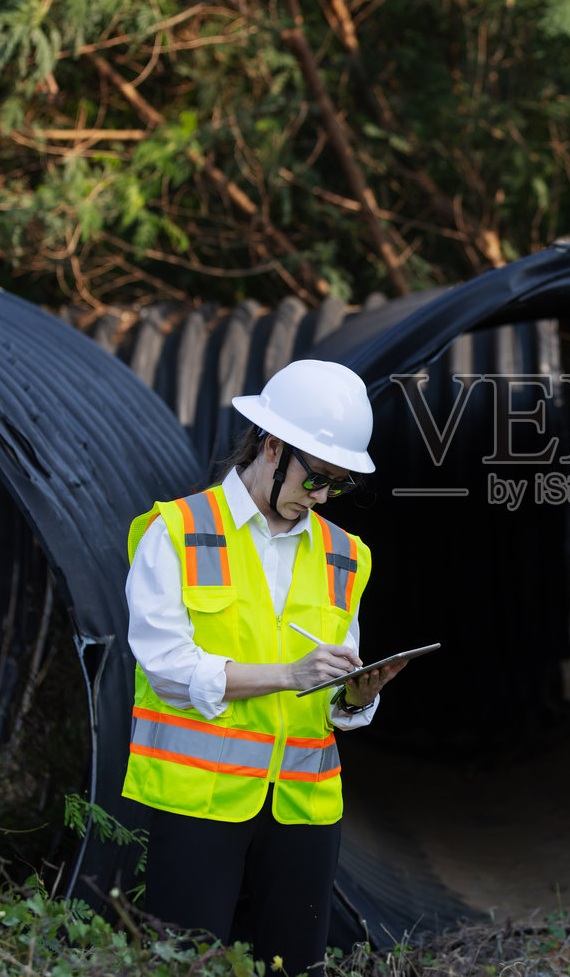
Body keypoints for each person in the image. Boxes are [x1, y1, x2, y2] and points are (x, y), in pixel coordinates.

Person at [120, 359, 408, 973]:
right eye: (317, 479)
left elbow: (330, 689)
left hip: (304, 808)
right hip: (201, 800)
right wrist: (287, 674)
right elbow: (168, 668)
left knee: (295, 967)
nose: (324, 496)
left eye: (338, 485)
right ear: (274, 447)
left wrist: (355, 698)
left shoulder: (346, 556)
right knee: (185, 965)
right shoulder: (174, 533)